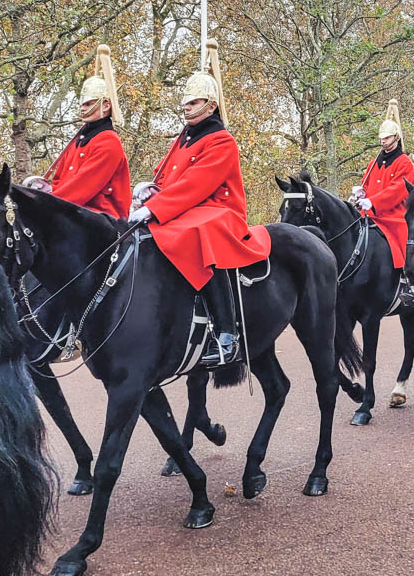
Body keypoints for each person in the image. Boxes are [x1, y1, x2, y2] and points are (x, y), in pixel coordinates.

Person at [128, 40, 270, 368]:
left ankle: (226, 332)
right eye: (185, 103)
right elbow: (171, 178)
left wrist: (156, 207)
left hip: (218, 210)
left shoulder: (222, 140)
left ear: (210, 105)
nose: (186, 108)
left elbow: (198, 183)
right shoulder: (184, 138)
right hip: (188, 206)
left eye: (193, 103)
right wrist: (151, 189)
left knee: (197, 233)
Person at [23, 45, 131, 218]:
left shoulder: (109, 142)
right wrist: (45, 192)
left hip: (101, 215)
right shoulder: (79, 139)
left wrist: (46, 204)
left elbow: (83, 187)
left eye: (88, 104)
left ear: (106, 105)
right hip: (74, 209)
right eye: (82, 104)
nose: (82, 108)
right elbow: (59, 180)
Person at [354, 99, 414, 269]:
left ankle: (407, 277)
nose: (383, 141)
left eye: (387, 138)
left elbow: (398, 190)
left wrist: (374, 202)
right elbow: (366, 185)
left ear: (396, 137)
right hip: (368, 213)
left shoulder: (404, 162)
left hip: (393, 215)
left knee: (404, 239)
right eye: (381, 138)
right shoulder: (374, 162)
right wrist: (361, 194)